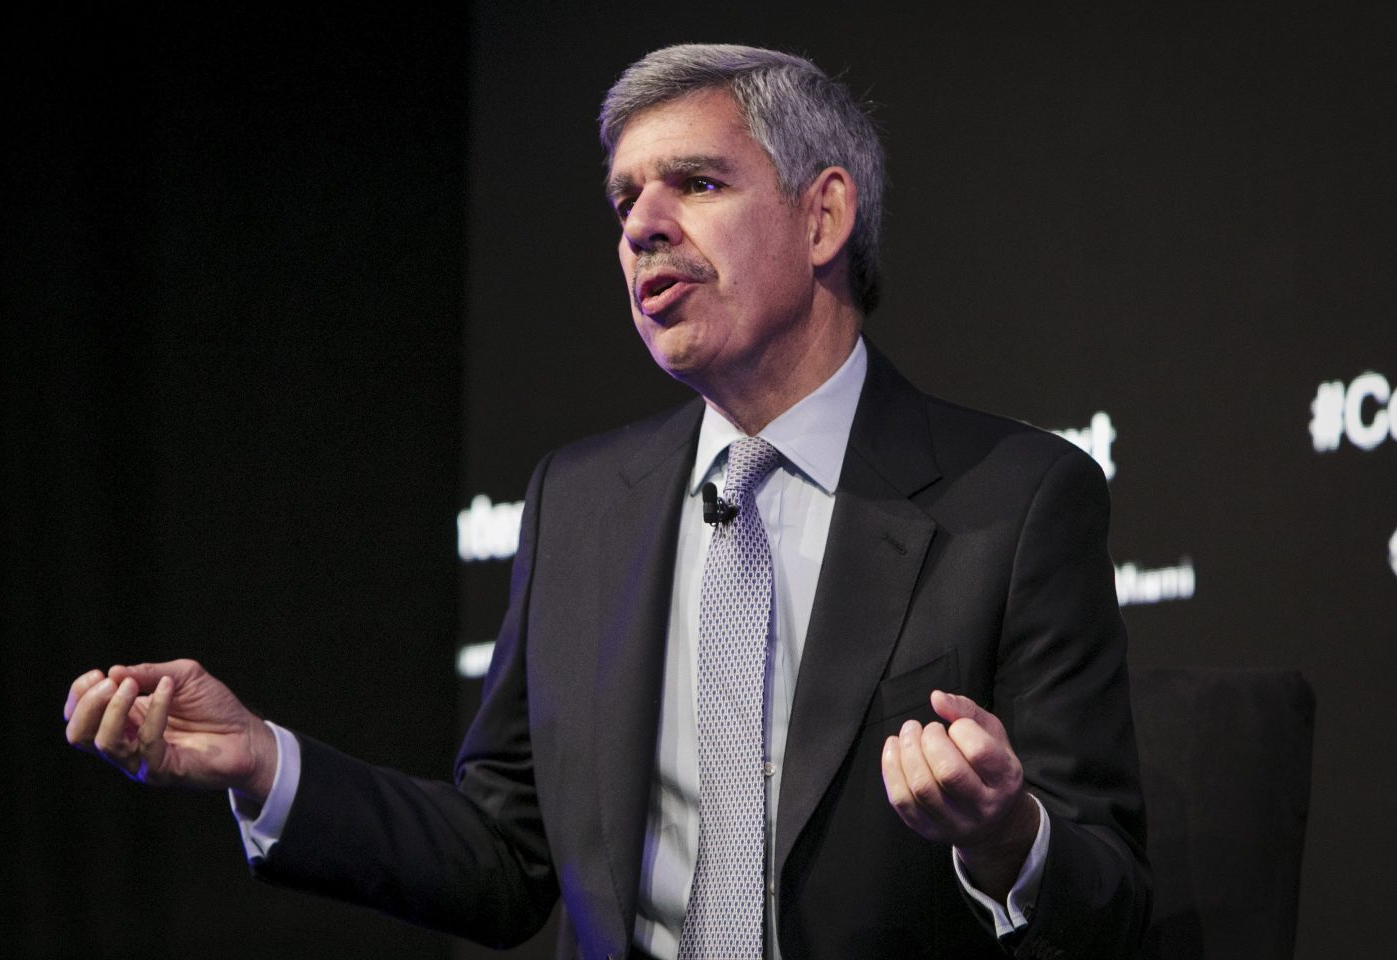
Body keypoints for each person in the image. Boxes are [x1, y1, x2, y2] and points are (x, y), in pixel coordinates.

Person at [64, 43, 1148, 959]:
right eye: (625, 199)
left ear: (823, 218)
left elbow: (1111, 895)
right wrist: (265, 762)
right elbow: (504, 857)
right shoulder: (580, 502)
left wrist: (1007, 839)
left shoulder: (1015, 501)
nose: (641, 227)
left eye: (697, 184)